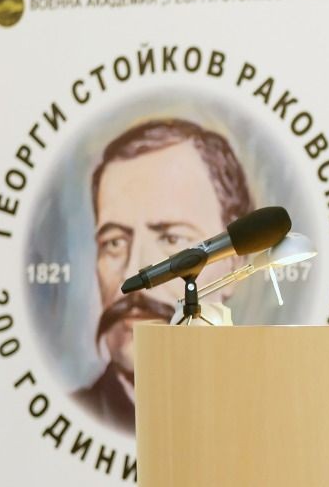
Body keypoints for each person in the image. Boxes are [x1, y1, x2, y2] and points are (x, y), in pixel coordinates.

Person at [73, 118, 255, 433]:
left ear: (236, 262)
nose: (134, 272)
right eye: (114, 243)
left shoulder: (276, 415)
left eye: (172, 238)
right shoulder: (77, 418)